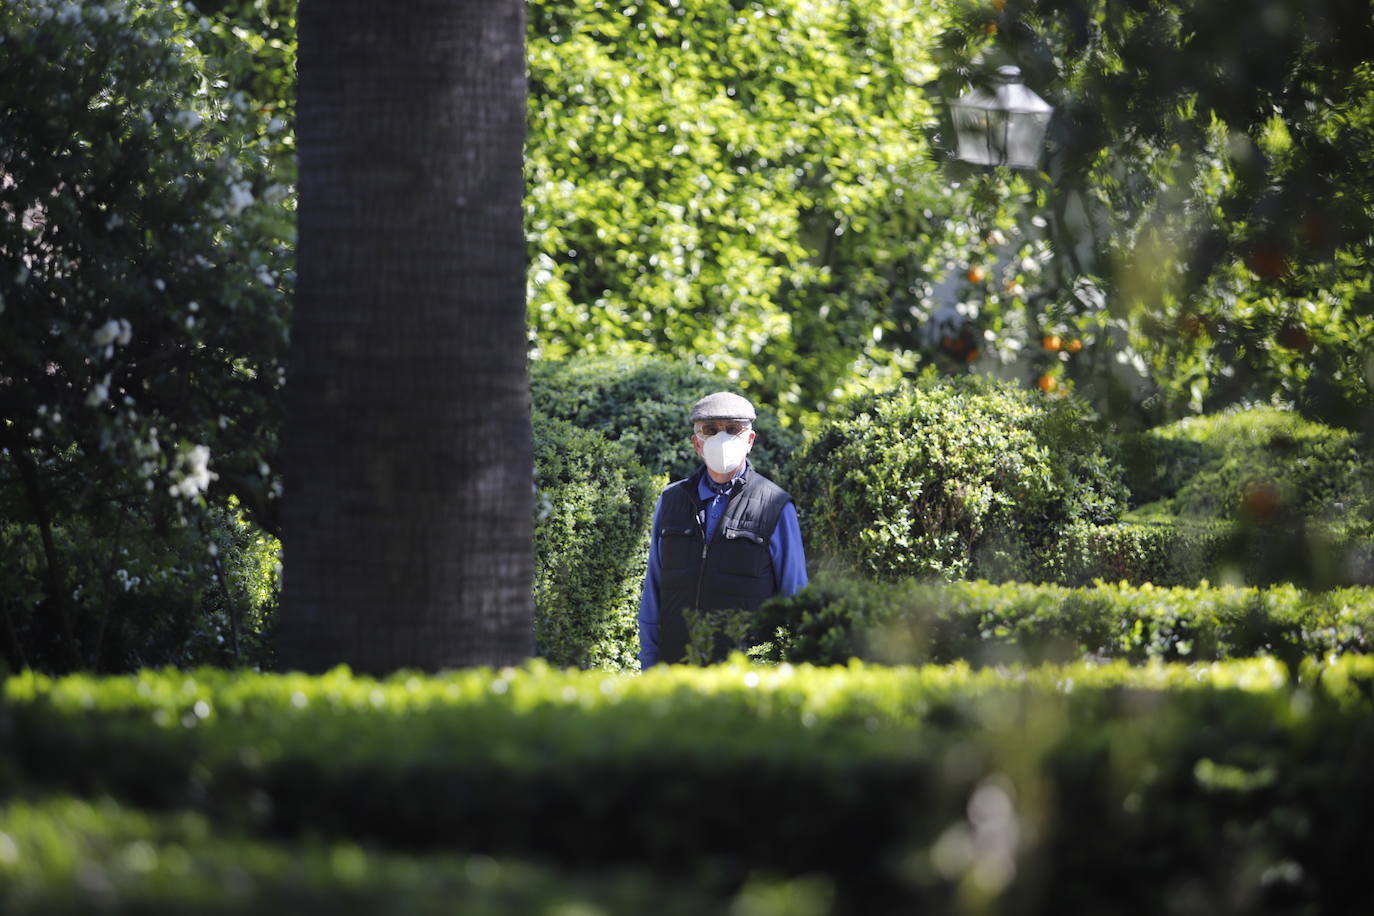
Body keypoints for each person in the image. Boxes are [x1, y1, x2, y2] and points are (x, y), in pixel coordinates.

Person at [638, 391, 808, 668]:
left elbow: (795, 599)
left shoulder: (776, 504)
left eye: (732, 429)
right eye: (711, 430)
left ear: (749, 440)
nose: (722, 438)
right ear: (697, 443)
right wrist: (648, 664)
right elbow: (653, 593)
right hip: (676, 669)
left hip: (745, 676)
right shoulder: (670, 501)